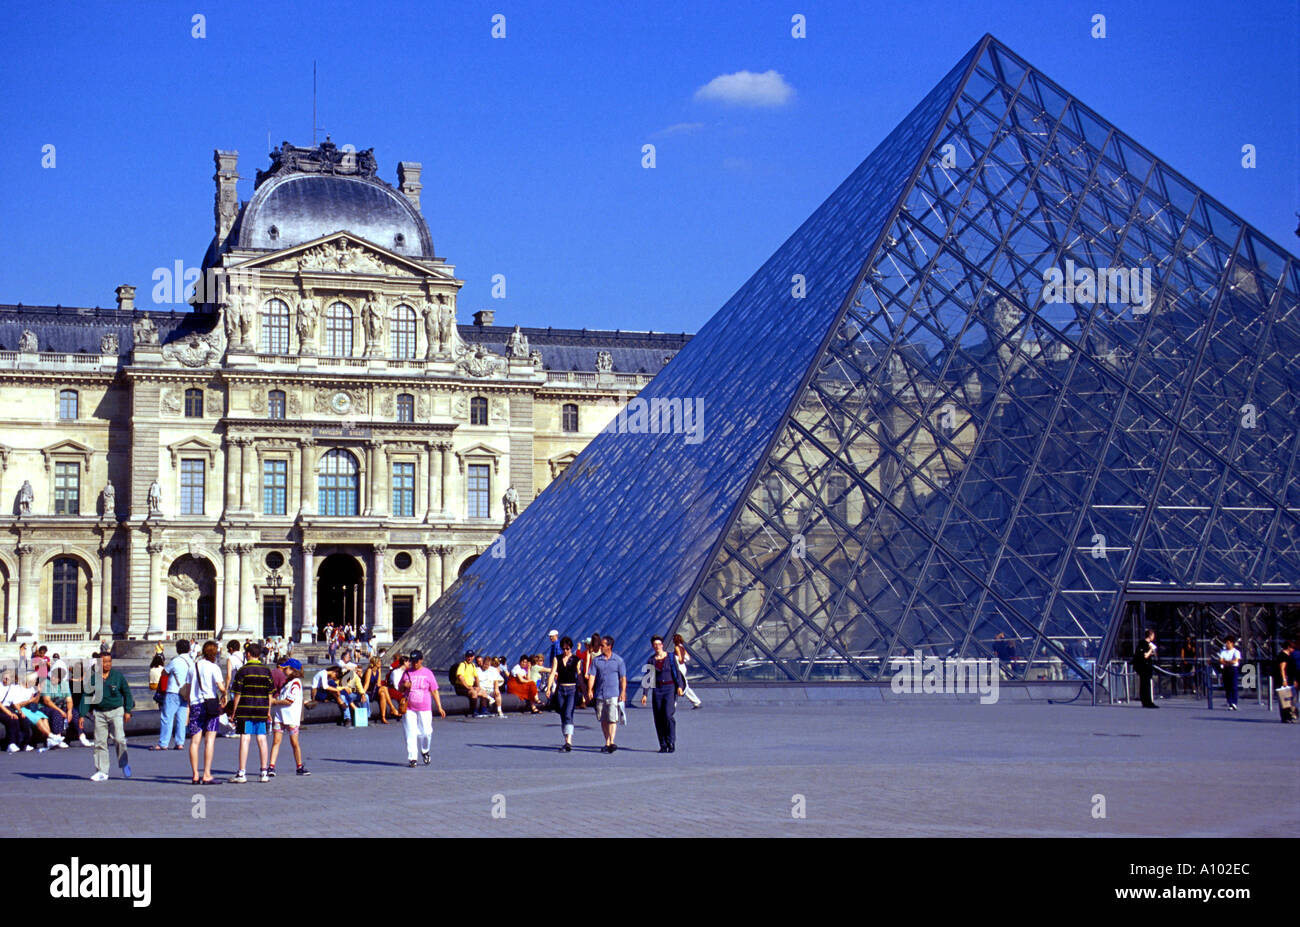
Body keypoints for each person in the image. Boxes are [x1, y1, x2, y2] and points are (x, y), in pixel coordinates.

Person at [227, 642, 275, 783]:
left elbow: (237, 693)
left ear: (248, 654)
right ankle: (264, 772)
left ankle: (242, 773)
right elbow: (270, 694)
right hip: (261, 708)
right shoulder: (266, 670)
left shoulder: (243, 670)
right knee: (262, 738)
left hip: (245, 708)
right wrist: (268, 711)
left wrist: (234, 711)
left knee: (245, 738)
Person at [186, 640, 227, 784]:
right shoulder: (214, 667)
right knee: (209, 740)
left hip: (196, 705)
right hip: (210, 705)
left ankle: (195, 774)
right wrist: (225, 691)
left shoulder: (193, 667)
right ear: (215, 653)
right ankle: (207, 774)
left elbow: (187, 689)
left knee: (194, 742)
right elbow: (221, 687)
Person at [87, 652, 133, 781]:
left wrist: (128, 710)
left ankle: (124, 763)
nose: (107, 664)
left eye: (109, 661)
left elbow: (127, 693)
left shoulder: (118, 676)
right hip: (99, 712)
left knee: (119, 739)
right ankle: (102, 771)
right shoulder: (93, 678)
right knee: (100, 742)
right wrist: (85, 712)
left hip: (116, 710)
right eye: (104, 662)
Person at [641, 635, 687, 753]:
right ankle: (663, 744)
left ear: (662, 645)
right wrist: (645, 694)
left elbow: (676, 672)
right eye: (654, 645)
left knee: (667, 715)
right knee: (658, 718)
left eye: (659, 644)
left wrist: (680, 687)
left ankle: (671, 741)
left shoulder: (670, 657)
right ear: (652, 646)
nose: (657, 646)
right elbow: (648, 677)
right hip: (657, 690)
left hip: (670, 688)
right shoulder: (651, 660)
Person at [399, 650, 445, 767]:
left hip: (424, 707)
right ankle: (412, 758)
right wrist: (404, 686)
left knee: (426, 732)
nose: (414, 664)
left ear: (421, 660)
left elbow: (434, 690)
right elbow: (399, 688)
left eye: (416, 661)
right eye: (412, 661)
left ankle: (425, 750)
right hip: (409, 707)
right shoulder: (407, 672)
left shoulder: (428, 673)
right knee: (410, 732)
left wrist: (439, 706)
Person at [586, 635, 627, 753]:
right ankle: (607, 741)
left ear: (609, 646)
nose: (600, 647)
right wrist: (590, 689)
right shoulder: (596, 661)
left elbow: (623, 678)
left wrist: (623, 691)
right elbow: (592, 676)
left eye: (603, 645)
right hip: (600, 694)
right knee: (603, 719)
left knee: (612, 718)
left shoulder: (618, 660)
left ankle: (611, 741)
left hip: (613, 694)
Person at [269, 658, 309, 776]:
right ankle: (271, 766)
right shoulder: (288, 682)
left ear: (292, 670)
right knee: (277, 741)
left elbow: (289, 700)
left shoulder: (295, 683)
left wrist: (275, 702)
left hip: (290, 716)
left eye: (286, 668)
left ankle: (299, 766)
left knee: (293, 742)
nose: (283, 670)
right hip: (281, 715)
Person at [154, 640, 195, 750]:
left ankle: (163, 743)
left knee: (167, 717)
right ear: (189, 649)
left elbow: (164, 672)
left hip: (173, 691)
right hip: (186, 692)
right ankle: (180, 742)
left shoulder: (175, 661)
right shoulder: (191, 662)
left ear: (177, 649)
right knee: (181, 718)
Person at [547, 637, 581, 752]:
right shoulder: (557, 659)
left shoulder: (576, 659)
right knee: (562, 713)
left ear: (571, 648)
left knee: (568, 713)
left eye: (567, 649)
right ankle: (566, 737)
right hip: (561, 689)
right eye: (563, 649)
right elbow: (552, 673)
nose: (565, 651)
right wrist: (548, 688)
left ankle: (568, 741)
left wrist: (585, 691)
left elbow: (579, 676)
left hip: (572, 689)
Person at [672, 634, 703, 709]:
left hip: (679, 667)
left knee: (680, 685)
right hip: (683, 667)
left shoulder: (676, 647)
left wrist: (676, 659)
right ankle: (696, 702)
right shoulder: (682, 647)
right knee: (682, 685)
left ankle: (673, 704)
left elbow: (680, 659)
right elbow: (688, 658)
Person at [378, 655, 407, 723]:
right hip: (393, 689)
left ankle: (397, 710)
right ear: (404, 662)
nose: (410, 664)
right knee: (402, 696)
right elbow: (396, 685)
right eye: (408, 662)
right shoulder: (395, 672)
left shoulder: (406, 672)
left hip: (400, 689)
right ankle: (399, 711)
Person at [1134, 629, 1158, 708]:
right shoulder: (1143, 644)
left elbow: (1154, 655)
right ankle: (1146, 701)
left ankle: (1148, 701)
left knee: (1147, 684)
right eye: (1153, 635)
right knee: (1144, 685)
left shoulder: (1149, 644)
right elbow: (1145, 656)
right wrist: (1151, 649)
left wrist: (1153, 651)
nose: (1154, 637)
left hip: (1148, 667)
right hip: (1143, 667)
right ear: (1150, 635)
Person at [1275, 641, 1297, 723]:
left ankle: (1289, 715)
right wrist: (1284, 679)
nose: (1293, 649)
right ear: (1288, 647)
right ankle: (1286, 716)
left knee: (1288, 698)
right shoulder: (1283, 656)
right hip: (1285, 680)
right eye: (1292, 647)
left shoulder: (1288, 656)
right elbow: (1282, 669)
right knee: (1284, 698)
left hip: (1289, 679)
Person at [1217, 636, 1242, 711]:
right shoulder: (1223, 651)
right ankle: (1230, 702)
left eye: (1228, 643)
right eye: (1226, 643)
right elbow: (1220, 660)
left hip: (1233, 669)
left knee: (1233, 686)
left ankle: (1234, 702)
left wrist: (1226, 662)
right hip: (1226, 669)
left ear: (1232, 643)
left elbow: (1235, 661)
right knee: (1227, 687)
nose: (1227, 645)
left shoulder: (1236, 652)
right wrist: (1228, 662)